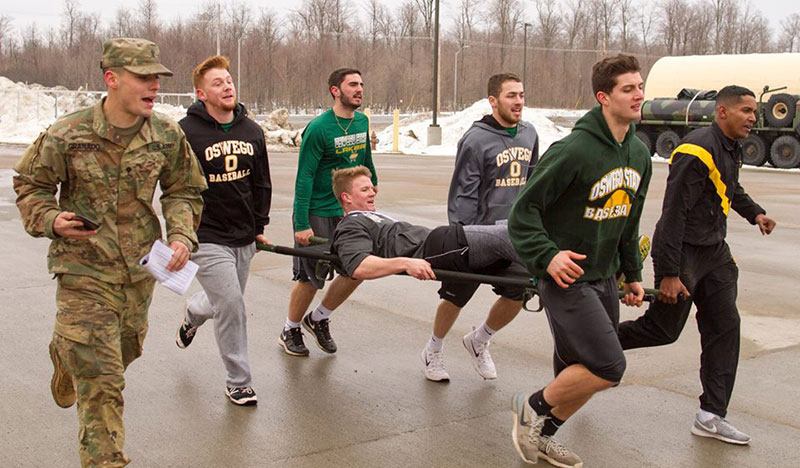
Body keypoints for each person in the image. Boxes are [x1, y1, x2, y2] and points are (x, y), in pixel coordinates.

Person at [13, 38, 206, 467]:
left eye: (157, 78)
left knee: (126, 352)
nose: (154, 85)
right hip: (83, 270)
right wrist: (50, 218)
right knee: (102, 381)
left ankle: (66, 356)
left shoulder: (165, 134)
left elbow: (185, 190)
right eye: (143, 77)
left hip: (140, 271)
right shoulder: (68, 133)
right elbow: (31, 185)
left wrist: (180, 235)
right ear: (112, 79)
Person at [507, 54, 652, 467]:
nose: (638, 94)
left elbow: (629, 219)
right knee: (608, 366)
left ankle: (540, 435)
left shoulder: (639, 153)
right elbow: (524, 212)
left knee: (577, 370)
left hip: (605, 276)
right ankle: (530, 406)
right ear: (603, 97)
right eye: (628, 89)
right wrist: (547, 256)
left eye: (640, 86)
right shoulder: (573, 150)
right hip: (567, 277)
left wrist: (632, 275)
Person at [617, 85, 776, 445]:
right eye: (746, 111)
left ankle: (711, 415)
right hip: (683, 251)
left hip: (714, 253)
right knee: (663, 330)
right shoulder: (695, 151)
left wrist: (755, 214)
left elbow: (728, 187)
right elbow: (674, 213)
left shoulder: (729, 147)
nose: (754, 118)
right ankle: (594, 344)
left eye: (755, 111)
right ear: (723, 112)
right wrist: (671, 273)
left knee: (725, 325)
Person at [422, 72, 540, 382]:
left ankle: (480, 339)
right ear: (493, 101)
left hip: (513, 236)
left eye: (521, 95)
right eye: (511, 95)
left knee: (518, 293)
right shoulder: (476, 139)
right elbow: (464, 191)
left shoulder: (529, 134)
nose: (518, 101)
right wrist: (460, 235)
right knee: (455, 297)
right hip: (478, 236)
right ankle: (433, 348)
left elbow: (534, 184)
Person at [175, 55, 271, 406]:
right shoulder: (186, 132)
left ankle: (194, 312)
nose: (227, 86)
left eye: (229, 80)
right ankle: (238, 380)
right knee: (231, 303)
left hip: (243, 235)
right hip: (206, 235)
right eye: (218, 82)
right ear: (201, 93)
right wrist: (180, 231)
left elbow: (261, 183)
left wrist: (259, 225)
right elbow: (175, 187)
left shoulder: (252, 131)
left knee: (224, 301)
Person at [280, 68, 378, 356]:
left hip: (348, 211)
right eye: (352, 85)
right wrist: (301, 222)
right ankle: (291, 328)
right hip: (317, 211)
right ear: (336, 90)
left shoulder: (361, 121)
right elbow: (305, 176)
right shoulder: (319, 128)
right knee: (311, 279)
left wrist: (372, 190)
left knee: (358, 268)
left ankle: (319, 318)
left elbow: (366, 161)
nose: (359, 89)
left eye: (361, 83)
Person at [329, 166, 523, 294]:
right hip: (436, 248)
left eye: (372, 189)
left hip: (443, 241)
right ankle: (552, 263)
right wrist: (405, 263)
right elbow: (359, 266)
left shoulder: (373, 216)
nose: (372, 193)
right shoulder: (351, 225)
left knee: (511, 228)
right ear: (346, 197)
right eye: (364, 190)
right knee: (509, 235)